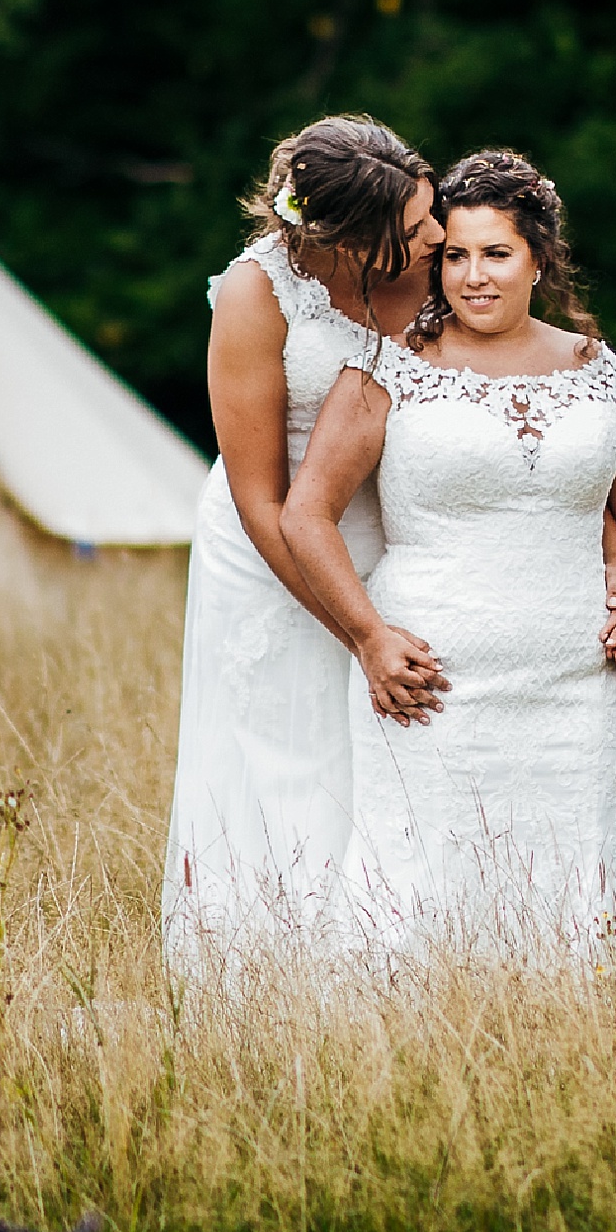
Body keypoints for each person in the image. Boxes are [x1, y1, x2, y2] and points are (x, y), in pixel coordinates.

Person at [280, 150, 616, 963]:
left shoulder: (597, 373)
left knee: (567, 884)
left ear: (540, 260)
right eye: (454, 254)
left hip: (574, 681)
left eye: (496, 254)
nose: (473, 276)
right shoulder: (388, 371)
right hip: (432, 677)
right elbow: (307, 515)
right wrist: (370, 637)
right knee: (419, 880)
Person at [160, 116, 449, 963]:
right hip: (270, 549)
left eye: (431, 212)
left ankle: (389, 953)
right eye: (413, 229)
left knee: (389, 751)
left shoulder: (439, 268)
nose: (438, 233)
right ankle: (273, 965)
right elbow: (260, 497)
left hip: (392, 532)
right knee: (288, 746)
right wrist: (361, 630)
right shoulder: (257, 295)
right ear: (348, 241)